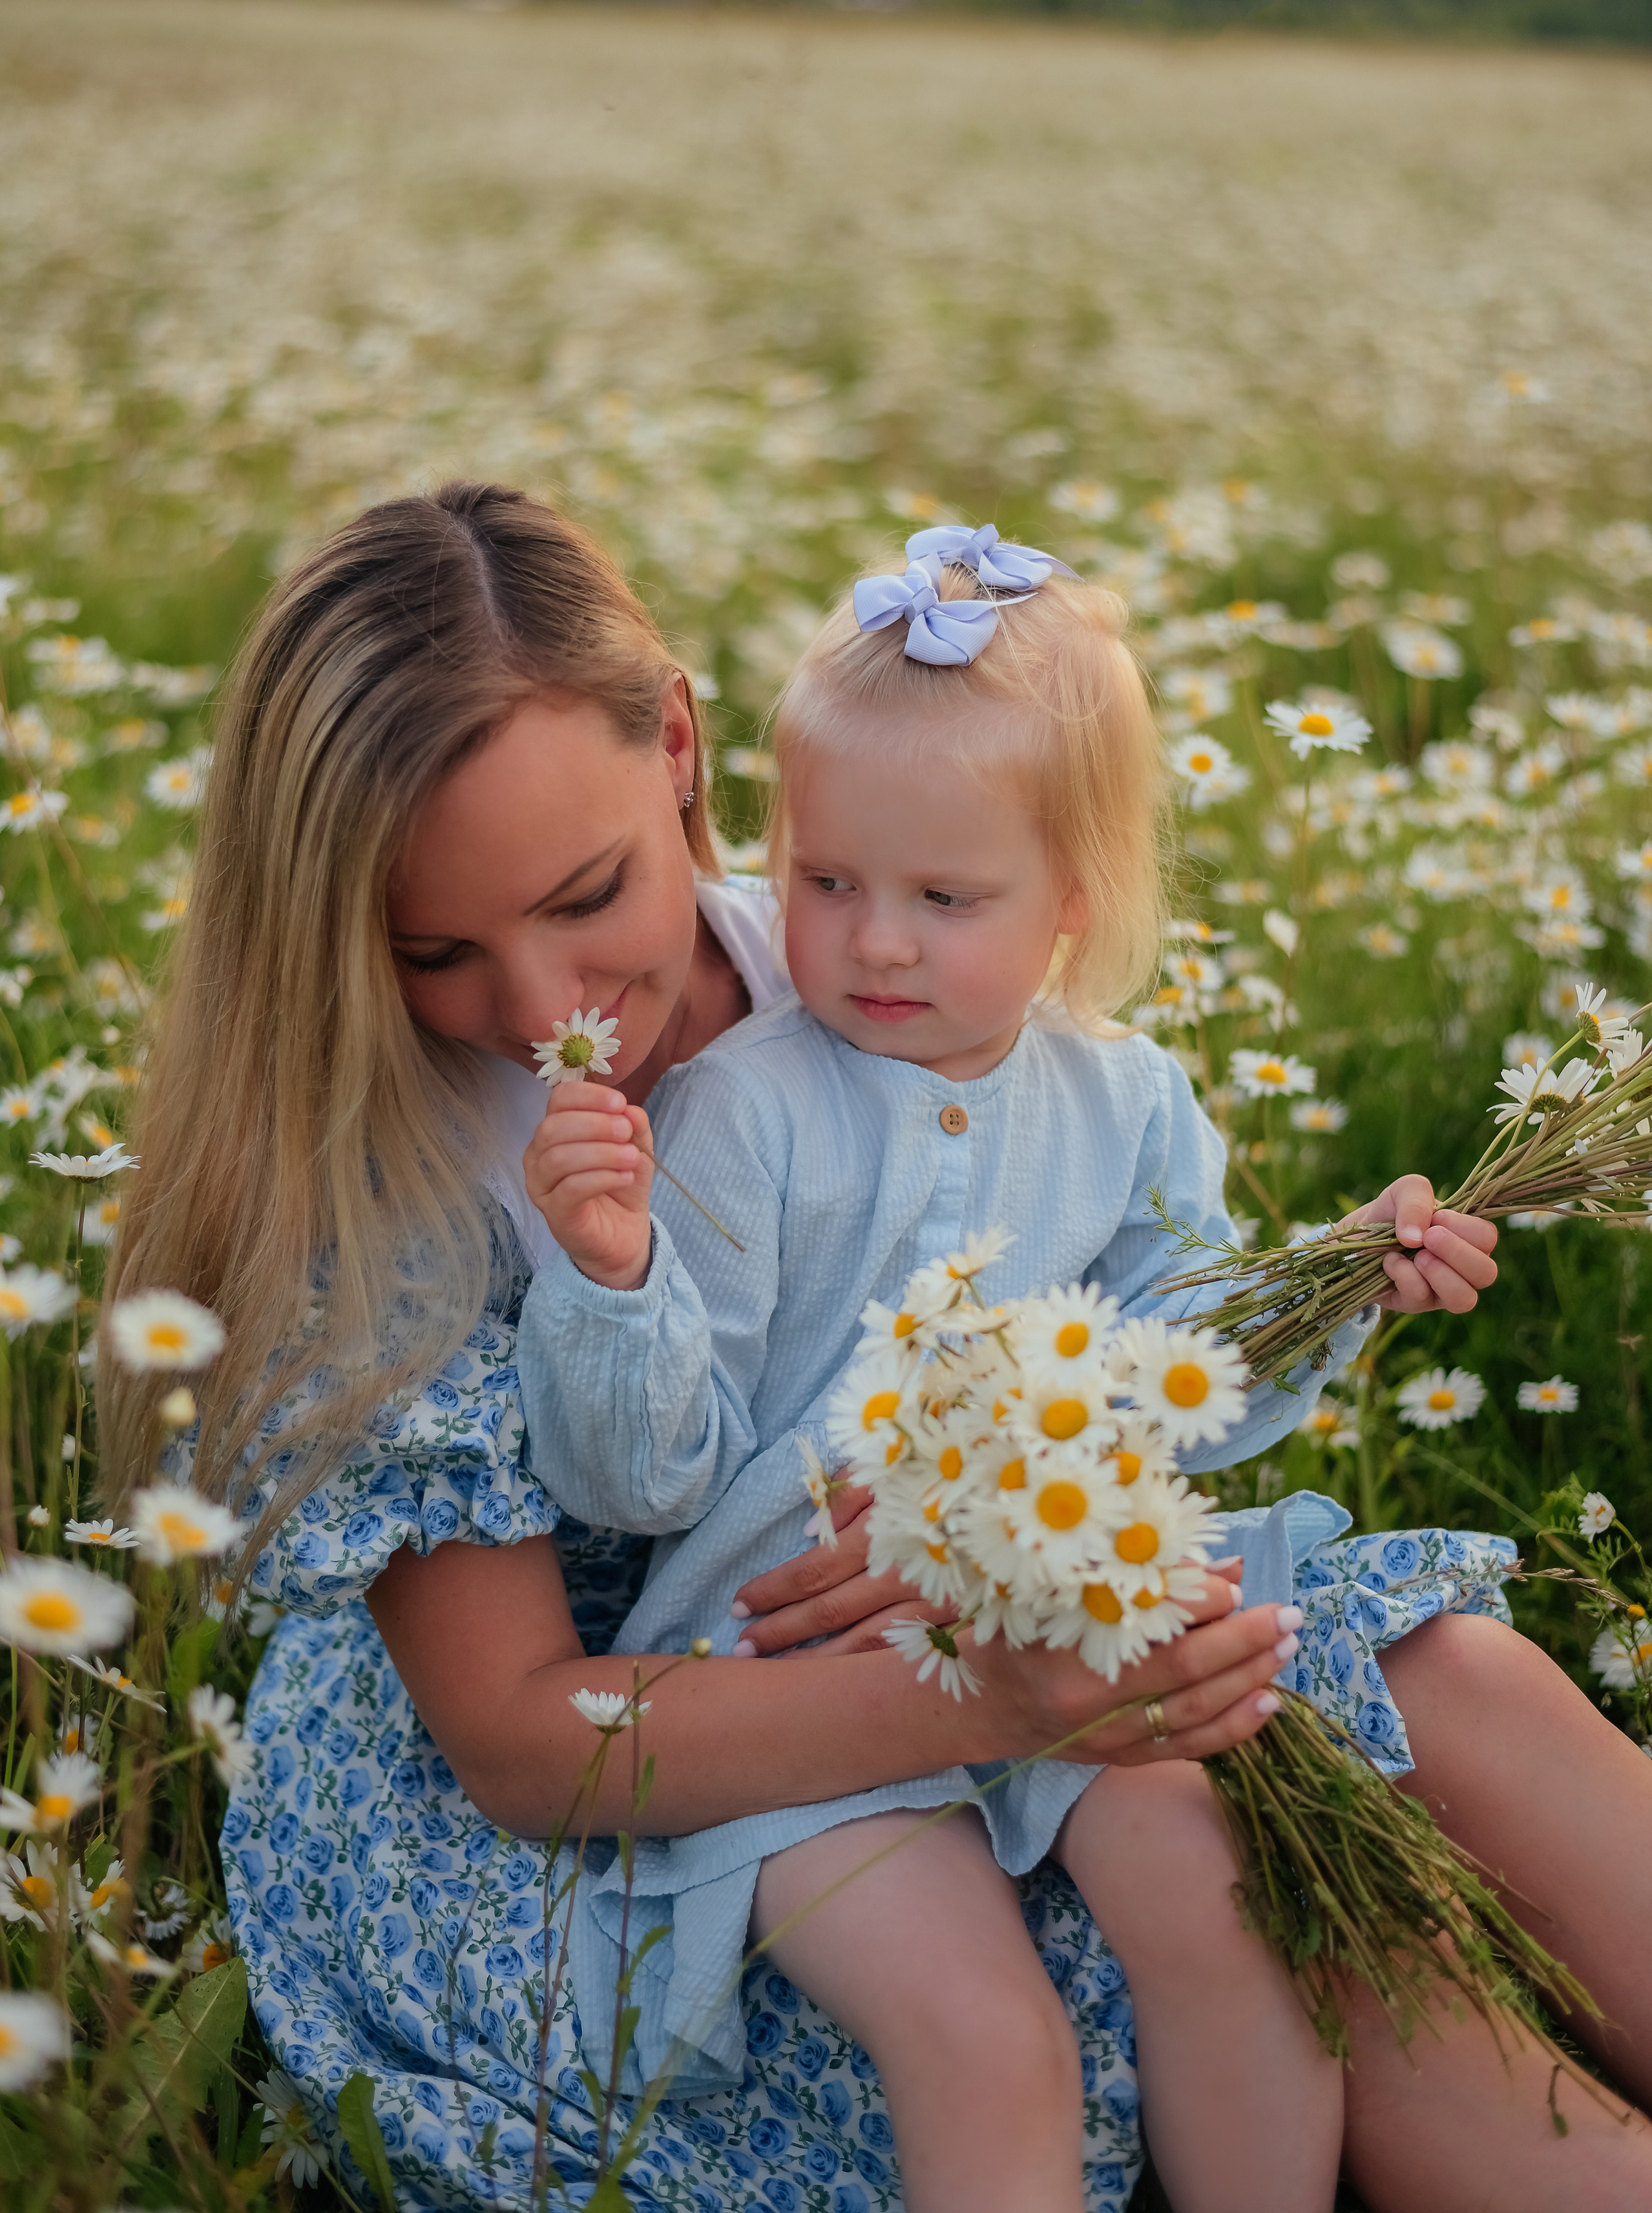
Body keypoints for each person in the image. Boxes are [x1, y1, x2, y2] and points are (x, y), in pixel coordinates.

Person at [100, 484, 1652, 2213]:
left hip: (985, 1616)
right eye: (436, 954)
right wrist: (989, 1684)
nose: (552, 1017)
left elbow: (1110, 1334)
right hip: (655, 1770)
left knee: (1460, 1689)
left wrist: (1255, 1344)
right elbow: (535, 1747)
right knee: (1283, 1936)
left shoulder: (863, 951)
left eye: (592, 893)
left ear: (683, 749)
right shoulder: (388, 1194)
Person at [512, 529, 1491, 2212]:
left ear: (1073, 910)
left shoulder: (1126, 1106)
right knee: (986, 2037)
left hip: (1047, 1633)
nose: (876, 944)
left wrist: (1340, 1283)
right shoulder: (743, 1113)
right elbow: (643, 1478)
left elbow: (1195, 1382)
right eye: (825, 882)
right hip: (797, 1684)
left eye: (945, 900)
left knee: (1214, 1883)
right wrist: (612, 1286)